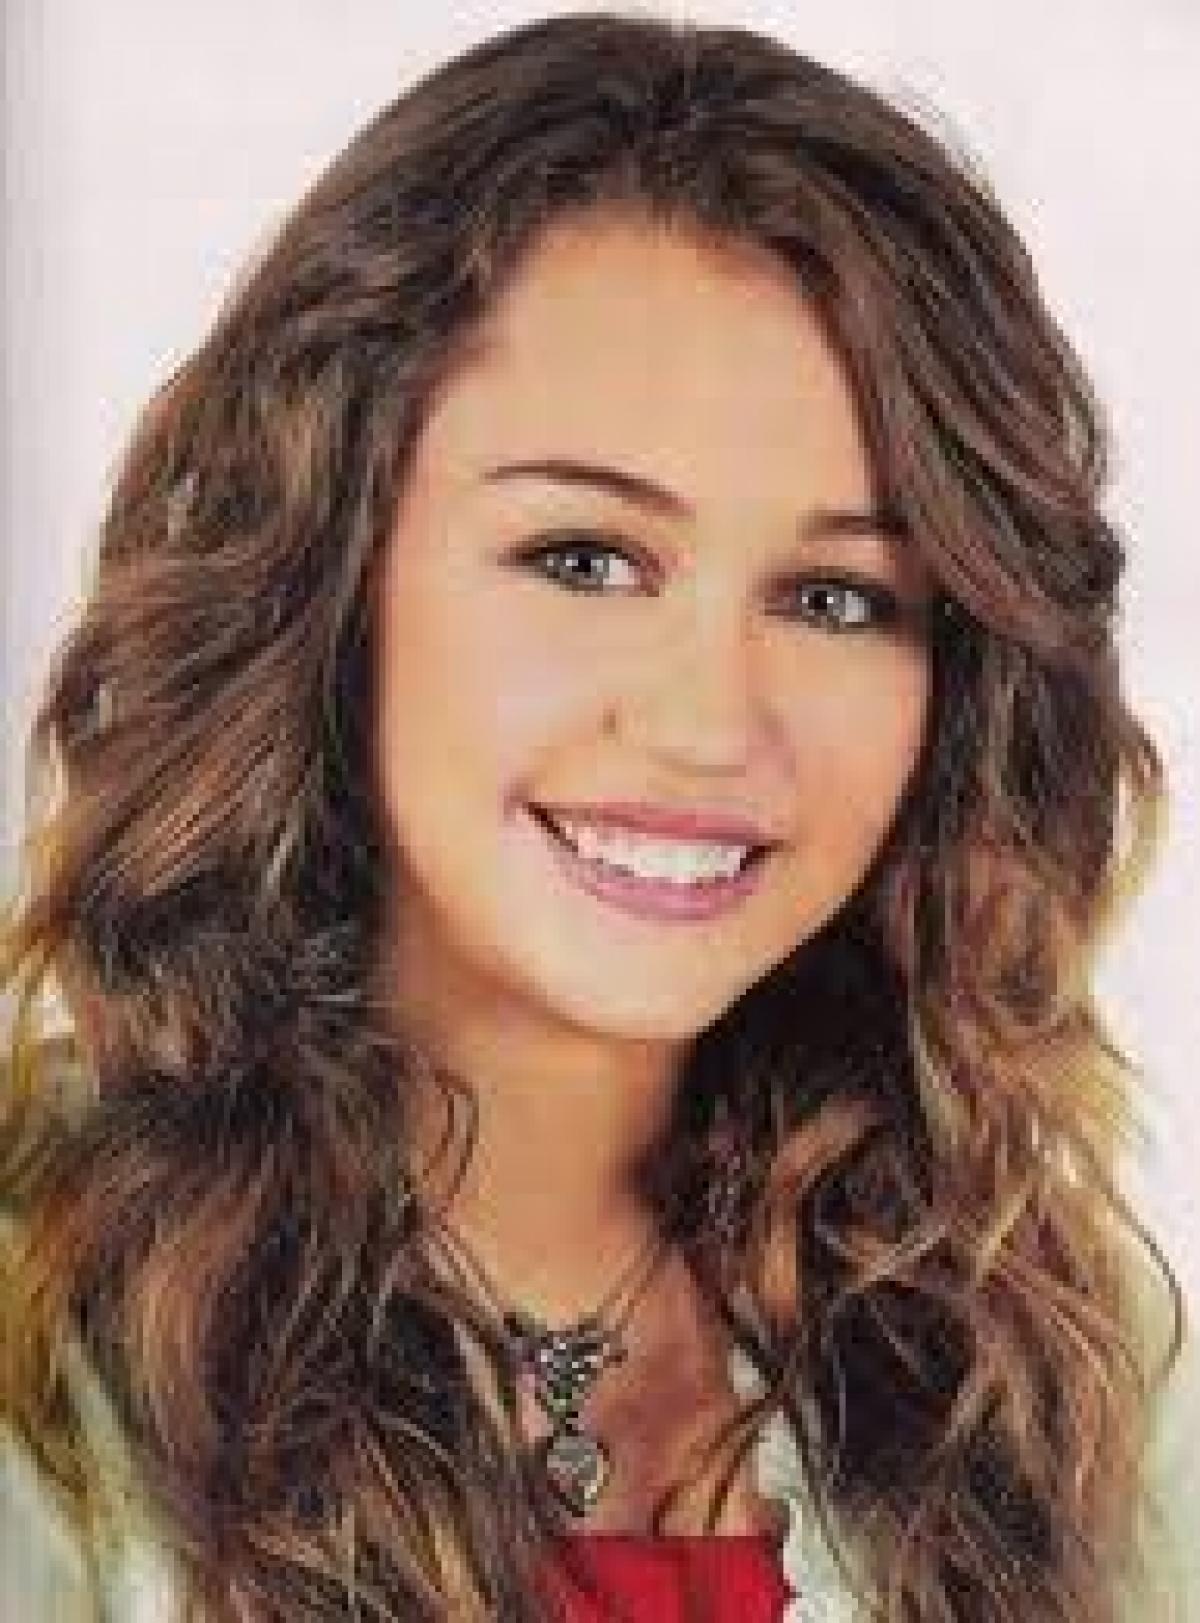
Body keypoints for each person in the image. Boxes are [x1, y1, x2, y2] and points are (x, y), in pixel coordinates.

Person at [0, 11, 1186, 1621]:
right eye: (585, 559)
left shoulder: (1054, 1366)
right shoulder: (45, 1317)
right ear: (331, 571)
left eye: (836, 597)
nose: (709, 722)